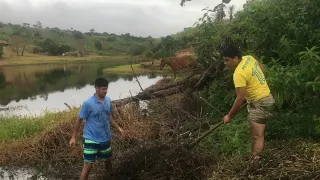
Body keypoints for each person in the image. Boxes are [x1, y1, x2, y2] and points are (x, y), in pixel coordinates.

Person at [221, 45, 275, 160]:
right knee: (256, 133)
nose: (225, 63)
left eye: (227, 60)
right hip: (268, 98)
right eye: (224, 60)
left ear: (235, 58)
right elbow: (261, 69)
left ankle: (255, 163)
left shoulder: (238, 74)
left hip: (259, 103)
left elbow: (239, 99)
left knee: (257, 136)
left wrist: (229, 116)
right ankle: (254, 156)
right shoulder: (249, 58)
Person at [69, 77, 124, 180]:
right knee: (88, 166)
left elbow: (109, 116)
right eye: (103, 89)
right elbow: (79, 120)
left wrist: (118, 128)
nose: (105, 91)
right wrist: (73, 137)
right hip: (91, 138)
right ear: (96, 88)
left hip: (105, 137)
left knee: (108, 161)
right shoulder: (88, 103)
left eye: (106, 88)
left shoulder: (108, 100)